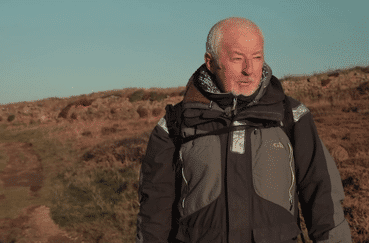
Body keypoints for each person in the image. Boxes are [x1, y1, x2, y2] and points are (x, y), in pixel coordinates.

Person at [136, 17, 352, 243]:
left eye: (257, 57)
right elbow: (154, 213)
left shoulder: (292, 116)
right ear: (211, 62)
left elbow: (323, 199)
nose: (249, 70)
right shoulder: (174, 125)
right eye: (237, 58)